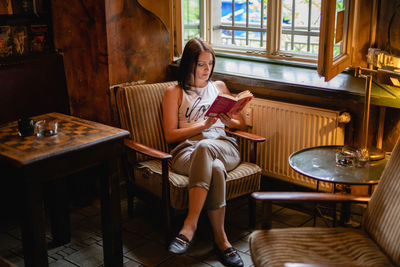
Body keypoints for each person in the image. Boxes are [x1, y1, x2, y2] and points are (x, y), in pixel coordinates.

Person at [162, 38, 246, 267]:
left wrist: (231, 120)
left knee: (208, 147)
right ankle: (222, 241)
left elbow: (242, 124)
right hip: (186, 152)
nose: (207, 69)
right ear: (189, 64)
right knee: (213, 165)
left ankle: (190, 224)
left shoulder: (218, 87)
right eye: (201, 64)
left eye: (210, 64)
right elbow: (170, 135)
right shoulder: (174, 92)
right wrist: (203, 126)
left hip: (223, 146)